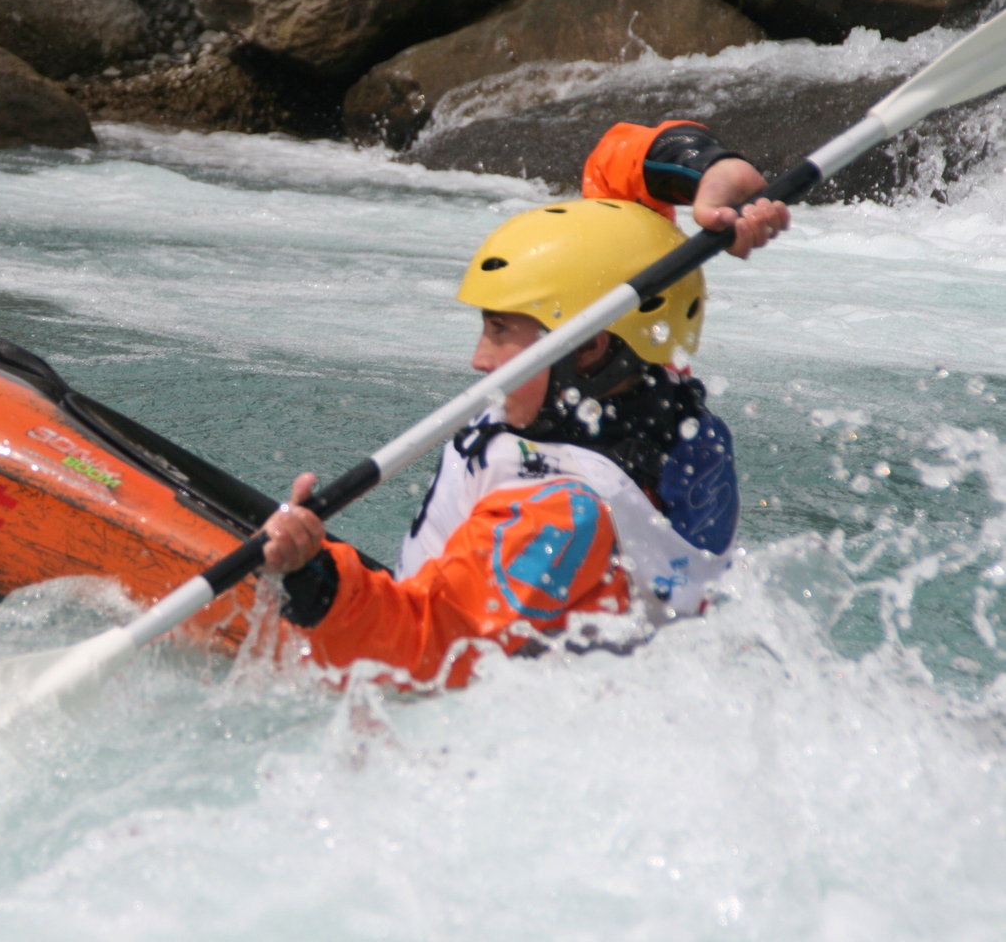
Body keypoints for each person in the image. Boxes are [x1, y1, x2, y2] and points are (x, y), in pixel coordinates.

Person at [258, 121, 790, 687]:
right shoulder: (650, 380)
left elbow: (428, 653)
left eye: (499, 329)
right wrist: (706, 168)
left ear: (588, 347)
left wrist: (312, 580)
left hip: (436, 681)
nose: (479, 359)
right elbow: (612, 177)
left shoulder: (561, 516)